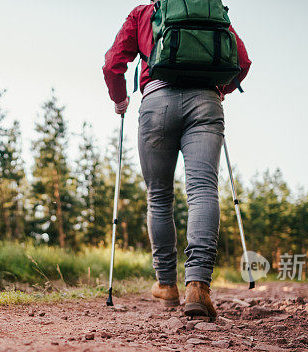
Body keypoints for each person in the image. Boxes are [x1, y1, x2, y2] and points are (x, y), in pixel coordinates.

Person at [103, 1, 251, 320]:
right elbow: (243, 60)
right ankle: (198, 286)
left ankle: (167, 284)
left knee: (159, 196)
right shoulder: (210, 12)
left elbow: (112, 63)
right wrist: (219, 90)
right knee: (202, 191)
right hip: (206, 102)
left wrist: (120, 98)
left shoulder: (145, 13)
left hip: (157, 102)